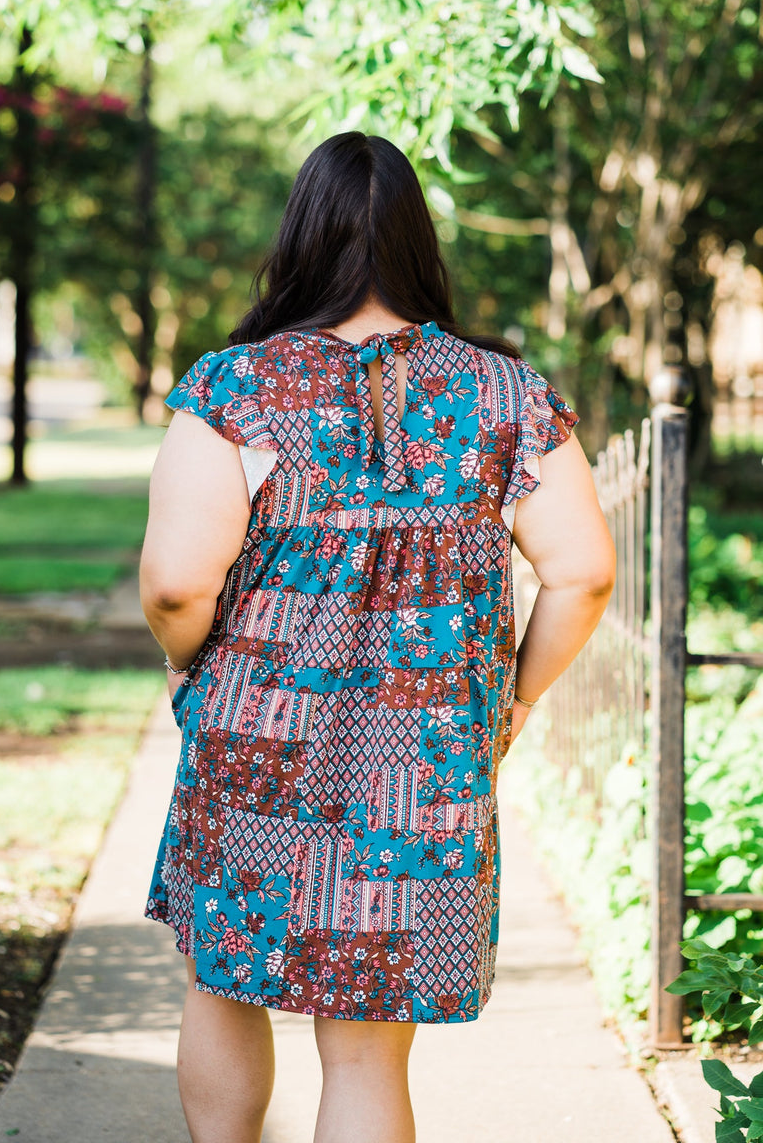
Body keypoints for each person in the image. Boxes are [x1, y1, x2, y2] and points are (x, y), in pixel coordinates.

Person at [139, 131, 616, 1143]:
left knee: (224, 980)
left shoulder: (231, 391)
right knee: (367, 1034)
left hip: (255, 740)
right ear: (417, 244)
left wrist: (190, 666)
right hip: (429, 753)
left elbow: (179, 582)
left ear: (298, 240)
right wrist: (516, 699)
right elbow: (581, 573)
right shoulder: (505, 394)